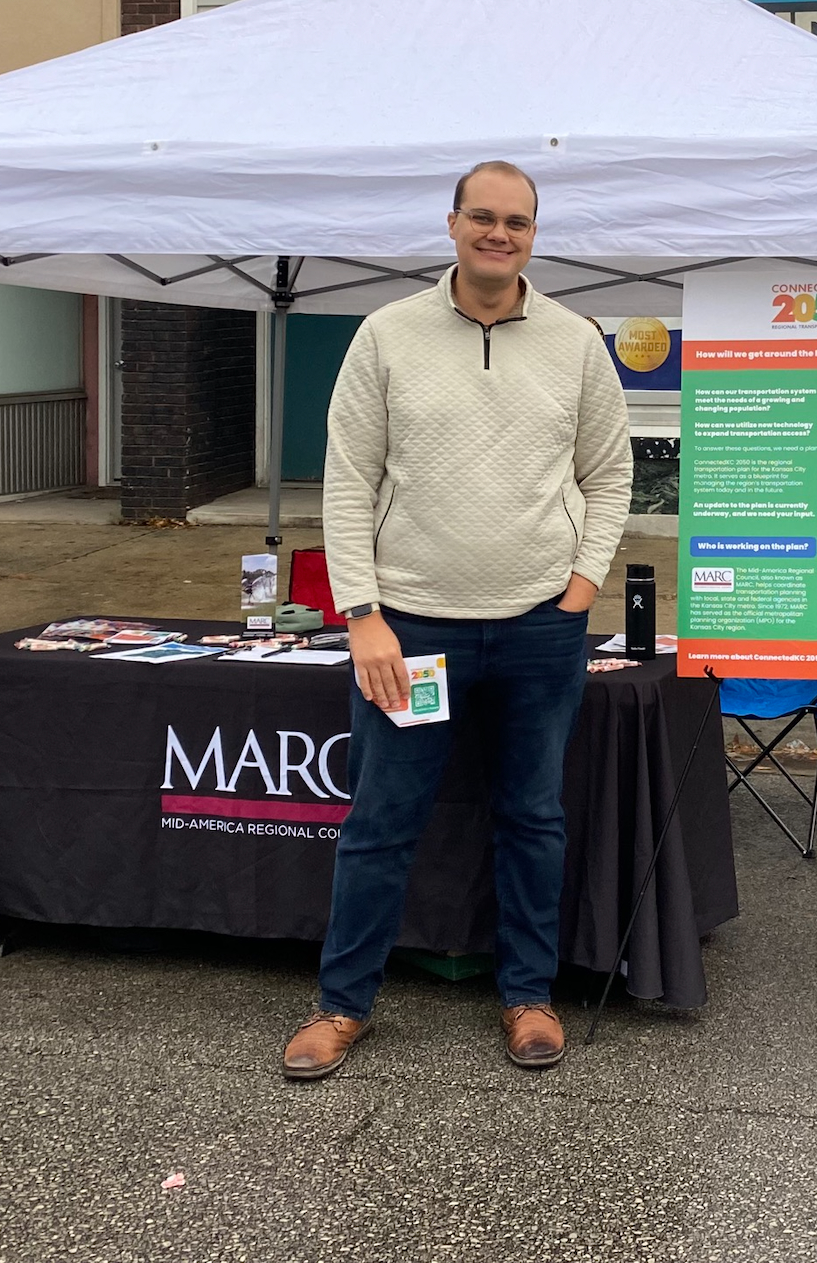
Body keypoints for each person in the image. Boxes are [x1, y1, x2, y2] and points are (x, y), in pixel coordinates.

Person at [284, 160, 632, 1082]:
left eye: (517, 221)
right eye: (483, 216)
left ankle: (528, 995)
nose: (500, 233)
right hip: (412, 630)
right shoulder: (387, 335)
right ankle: (341, 1004)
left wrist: (582, 586)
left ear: (533, 234)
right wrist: (362, 614)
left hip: (536, 631)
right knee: (383, 820)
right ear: (450, 224)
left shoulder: (575, 341)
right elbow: (349, 481)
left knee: (533, 817)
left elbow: (610, 474)